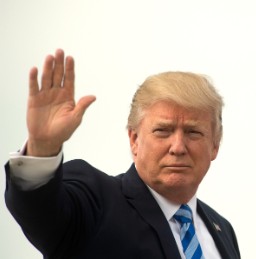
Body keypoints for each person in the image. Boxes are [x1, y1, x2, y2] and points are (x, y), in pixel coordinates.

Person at [4, 49, 240, 259]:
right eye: (162, 131)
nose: (178, 147)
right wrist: (42, 148)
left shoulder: (222, 229)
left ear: (215, 145)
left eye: (193, 132)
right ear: (134, 140)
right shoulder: (95, 201)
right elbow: (39, 211)